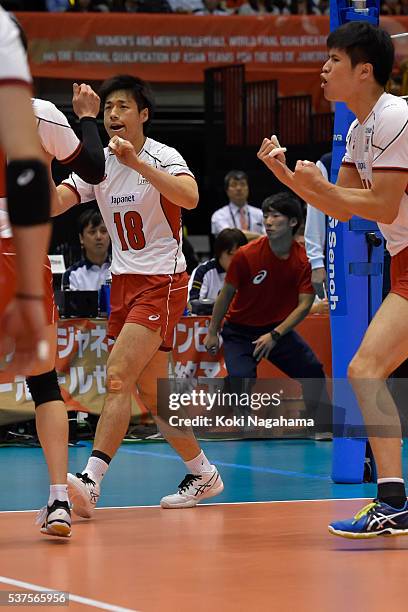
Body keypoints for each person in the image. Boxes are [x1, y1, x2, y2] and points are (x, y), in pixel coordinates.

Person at [257, 21, 408, 538]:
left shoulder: (394, 116)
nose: (323, 68)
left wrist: (319, 185)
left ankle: (392, 499)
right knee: (367, 370)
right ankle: (393, 501)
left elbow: (382, 204)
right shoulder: (357, 129)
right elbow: (341, 209)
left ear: (364, 70)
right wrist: (288, 177)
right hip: (403, 260)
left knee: (366, 368)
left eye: (334, 60)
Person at [53, 74, 224, 515]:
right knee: (152, 393)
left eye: (123, 106)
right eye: (108, 108)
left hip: (163, 281)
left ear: (143, 115)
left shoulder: (163, 156)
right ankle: (204, 473)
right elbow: (60, 200)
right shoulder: (101, 164)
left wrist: (139, 164)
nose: (113, 114)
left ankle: (90, 482)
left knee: (117, 376)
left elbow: (190, 197)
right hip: (124, 282)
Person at [0, 15, 105, 537]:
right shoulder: (39, 113)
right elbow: (93, 170)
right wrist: (87, 117)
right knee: (44, 385)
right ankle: (59, 499)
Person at [204, 192, 330, 430]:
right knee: (243, 378)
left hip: (276, 330)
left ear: (293, 222)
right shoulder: (246, 255)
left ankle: (321, 424)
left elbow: (305, 305)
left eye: (275, 216)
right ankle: (243, 422)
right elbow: (225, 295)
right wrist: (213, 331)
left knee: (312, 370)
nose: (268, 221)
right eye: (265, 216)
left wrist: (275, 335)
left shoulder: (304, 260)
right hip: (239, 331)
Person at [188, 228, 247, 305]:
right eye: (231, 254)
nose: (236, 260)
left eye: (239, 256)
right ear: (219, 252)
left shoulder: (249, 270)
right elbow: (192, 305)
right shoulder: (203, 271)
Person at [62, 209, 111, 291]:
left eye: (103, 231)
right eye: (92, 232)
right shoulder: (72, 275)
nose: (99, 237)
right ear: (81, 238)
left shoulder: (120, 270)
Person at [211, 170, 265, 241]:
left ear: (248, 188)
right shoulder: (219, 215)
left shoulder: (260, 213)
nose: (239, 188)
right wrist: (260, 237)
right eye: (234, 185)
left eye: (243, 184)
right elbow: (229, 237)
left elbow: (269, 237)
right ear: (227, 190)